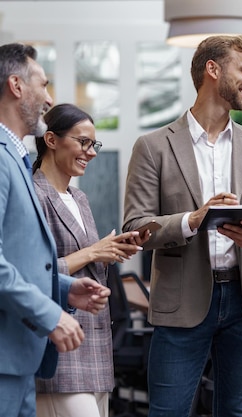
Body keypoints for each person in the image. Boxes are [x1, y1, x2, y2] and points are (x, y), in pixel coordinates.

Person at [122, 35, 242, 417]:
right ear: (213, 70)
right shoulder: (153, 146)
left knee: (236, 412)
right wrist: (192, 220)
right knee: (168, 412)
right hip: (182, 301)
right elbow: (135, 225)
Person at [0, 43, 111, 417]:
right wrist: (50, 313)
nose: (48, 99)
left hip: (22, 358)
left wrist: (63, 289)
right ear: (16, 85)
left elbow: (20, 258)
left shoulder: (15, 158)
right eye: (43, 84)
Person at [31, 103, 146, 417]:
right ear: (51, 140)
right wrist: (95, 251)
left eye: (93, 144)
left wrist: (112, 250)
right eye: (83, 142)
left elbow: (84, 261)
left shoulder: (79, 198)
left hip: (95, 346)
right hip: (60, 344)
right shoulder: (32, 195)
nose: (91, 152)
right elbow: (32, 272)